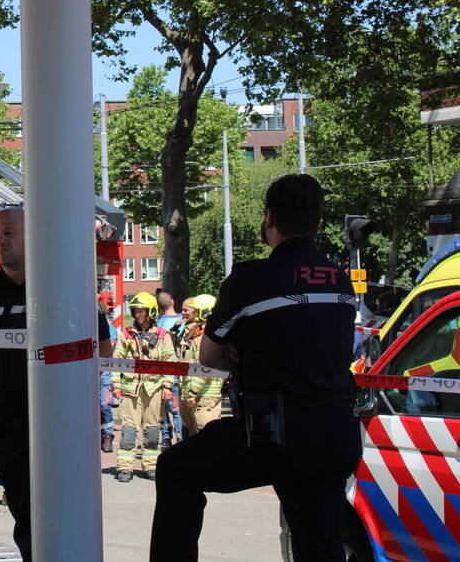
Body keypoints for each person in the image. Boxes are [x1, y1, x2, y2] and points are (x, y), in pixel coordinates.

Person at [149, 174, 361, 561]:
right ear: (318, 218)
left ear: (269, 218)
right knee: (321, 544)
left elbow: (209, 358)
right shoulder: (340, 280)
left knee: (175, 468)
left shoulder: (250, 279)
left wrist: (242, 346)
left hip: (274, 434)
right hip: (336, 433)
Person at [0, 207, 112, 561]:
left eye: (8, 233)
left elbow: (101, 352)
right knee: (25, 511)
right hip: (5, 424)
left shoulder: (68, 290)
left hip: (59, 423)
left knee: (56, 511)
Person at [111, 291, 175, 482]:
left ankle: (151, 466)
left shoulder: (163, 335)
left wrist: (167, 385)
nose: (137, 314)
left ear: (151, 312)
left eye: (141, 311)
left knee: (152, 430)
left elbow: (170, 361)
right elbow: (117, 360)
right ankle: (125, 467)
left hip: (153, 389)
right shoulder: (126, 335)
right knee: (129, 431)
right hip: (131, 390)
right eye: (135, 311)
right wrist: (116, 384)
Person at [176, 294, 223, 436]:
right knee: (193, 437)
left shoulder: (206, 335)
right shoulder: (194, 332)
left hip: (204, 396)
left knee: (207, 437)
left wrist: (193, 391)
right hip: (192, 395)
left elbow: (204, 365)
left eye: (196, 311)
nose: (193, 314)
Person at [155, 291, 182, 449]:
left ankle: (165, 438)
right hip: (175, 370)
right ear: (172, 301)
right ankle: (180, 438)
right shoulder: (182, 321)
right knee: (176, 408)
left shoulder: (156, 324)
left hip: (158, 370)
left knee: (162, 408)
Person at [100, 313, 120, 452]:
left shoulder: (110, 329)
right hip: (86, 371)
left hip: (104, 373)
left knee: (104, 404)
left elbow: (109, 346)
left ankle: (108, 435)